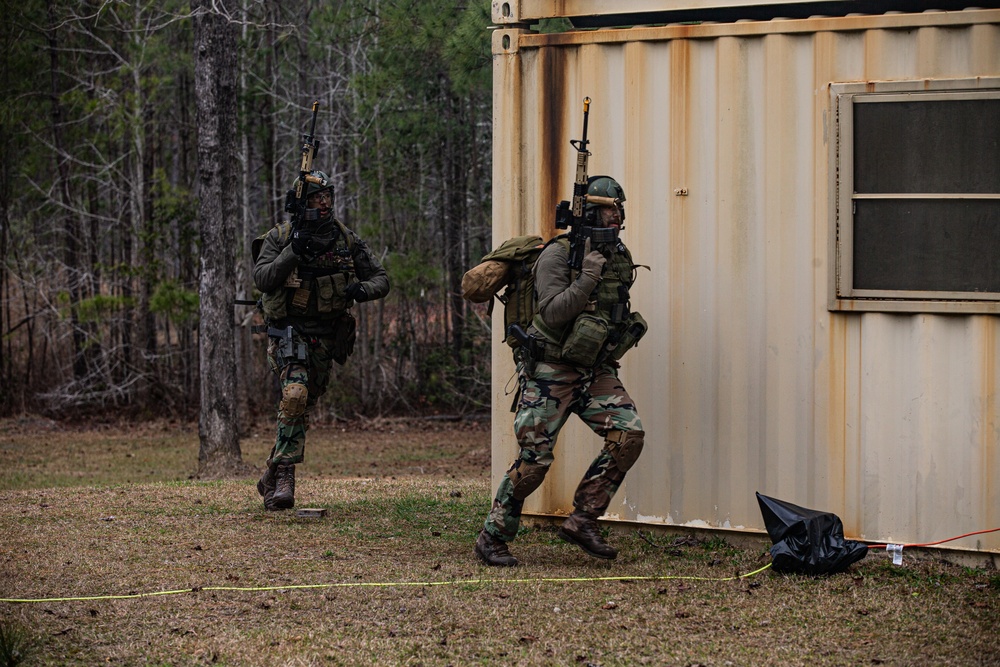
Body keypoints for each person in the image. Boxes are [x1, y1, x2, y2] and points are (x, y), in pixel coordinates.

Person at [475, 175, 647, 566]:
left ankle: (583, 519)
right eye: (608, 210)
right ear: (589, 213)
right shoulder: (558, 255)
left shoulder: (618, 254)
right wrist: (586, 276)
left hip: (595, 369)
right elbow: (551, 313)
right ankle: (493, 536)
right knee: (534, 461)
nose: (617, 216)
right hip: (551, 370)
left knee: (628, 435)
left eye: (619, 209)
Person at [252, 170, 390, 511]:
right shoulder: (281, 237)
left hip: (325, 338)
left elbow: (382, 279)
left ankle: (270, 471)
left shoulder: (344, 238)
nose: (324, 202)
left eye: (327, 195)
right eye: (316, 197)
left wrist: (361, 289)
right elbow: (263, 279)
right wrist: (293, 252)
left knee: (299, 408)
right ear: (301, 203)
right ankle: (285, 478)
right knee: (294, 395)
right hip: (287, 332)